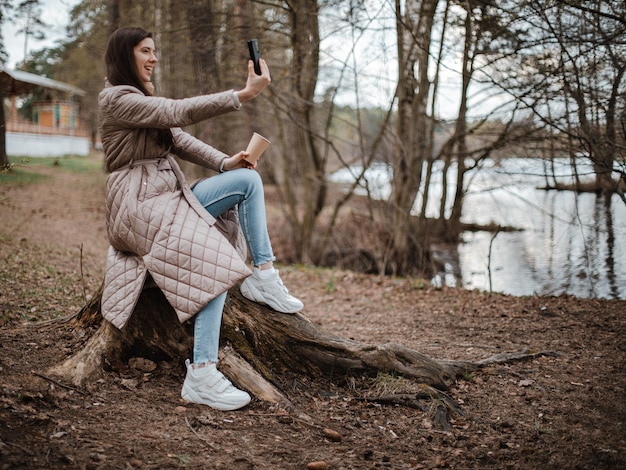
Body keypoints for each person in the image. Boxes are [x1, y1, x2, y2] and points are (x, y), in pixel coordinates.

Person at [98, 27, 303, 412]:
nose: (153, 58)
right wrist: (241, 95)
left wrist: (225, 162)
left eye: (155, 50)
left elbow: (178, 139)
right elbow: (177, 112)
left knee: (244, 180)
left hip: (165, 195)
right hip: (136, 205)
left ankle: (263, 274)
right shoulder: (116, 99)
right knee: (209, 252)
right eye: (146, 51)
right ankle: (202, 373)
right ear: (125, 55)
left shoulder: (143, 98)